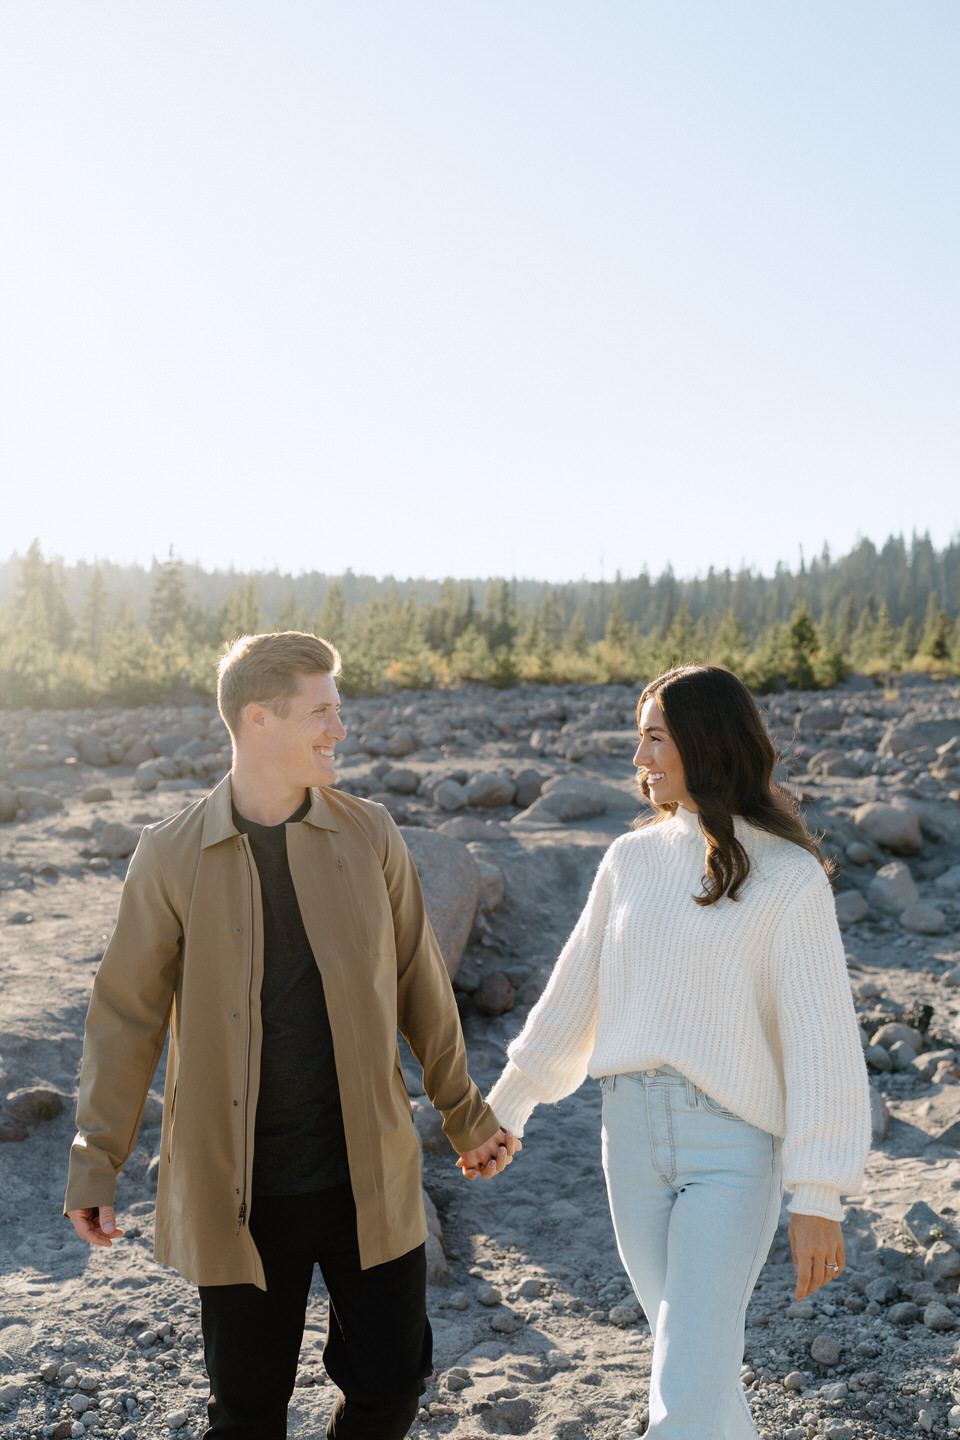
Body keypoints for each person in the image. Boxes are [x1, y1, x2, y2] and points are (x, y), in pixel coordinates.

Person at [65, 631, 518, 1440]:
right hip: (240, 1191)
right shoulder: (170, 855)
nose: (339, 731)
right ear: (258, 720)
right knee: (247, 1411)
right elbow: (125, 1015)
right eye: (321, 713)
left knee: (390, 1388)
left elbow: (421, 982)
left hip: (367, 1174)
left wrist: (466, 1114)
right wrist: (97, 1158)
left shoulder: (370, 834)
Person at [487, 664, 870, 1439]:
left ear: (706, 742)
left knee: (688, 1375)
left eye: (654, 738)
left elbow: (821, 1043)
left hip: (731, 1148)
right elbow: (573, 999)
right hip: (626, 1139)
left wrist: (818, 1194)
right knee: (689, 1362)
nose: (639, 759)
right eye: (639, 740)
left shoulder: (791, 879)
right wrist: (506, 1106)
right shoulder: (628, 863)